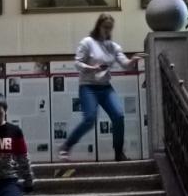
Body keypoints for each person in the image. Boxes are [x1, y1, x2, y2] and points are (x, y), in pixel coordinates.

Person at [58, 14, 146, 162]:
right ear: (98, 26)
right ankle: (66, 146)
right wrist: (91, 68)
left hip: (105, 88)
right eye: (105, 27)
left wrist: (133, 60)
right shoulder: (87, 42)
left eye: (110, 28)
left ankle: (119, 153)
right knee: (89, 119)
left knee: (119, 116)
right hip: (88, 87)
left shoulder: (113, 46)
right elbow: (77, 63)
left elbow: (125, 64)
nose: (107, 30)